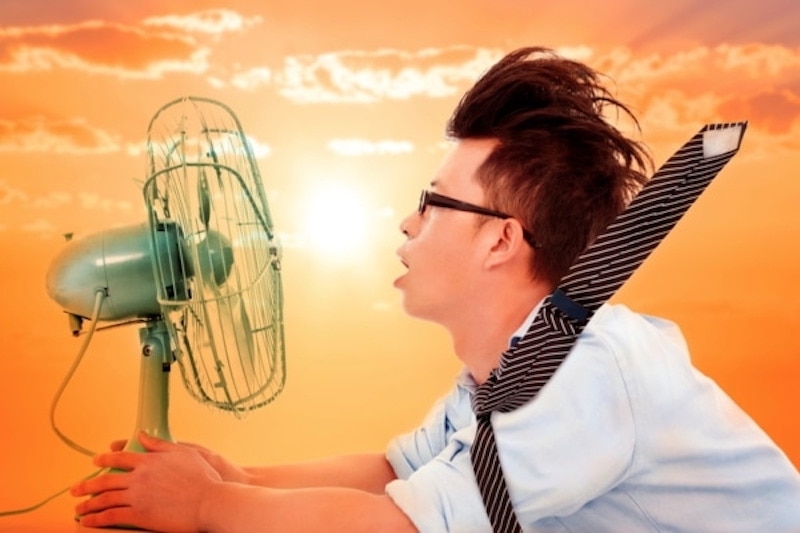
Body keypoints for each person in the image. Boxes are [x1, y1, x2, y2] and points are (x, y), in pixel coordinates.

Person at [71, 47, 800, 532]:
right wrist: (238, 473)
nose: (408, 220)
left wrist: (207, 504)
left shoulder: (584, 369)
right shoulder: (504, 371)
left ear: (501, 239)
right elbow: (395, 472)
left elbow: (411, 524)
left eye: (435, 200)